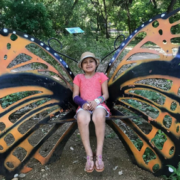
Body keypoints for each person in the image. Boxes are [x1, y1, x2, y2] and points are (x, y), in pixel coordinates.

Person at [73, 52, 111, 173]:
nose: (88, 64)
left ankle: (99, 154)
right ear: (81, 65)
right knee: (81, 119)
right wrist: (83, 103)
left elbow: (106, 94)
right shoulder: (78, 77)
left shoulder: (101, 76)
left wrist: (96, 101)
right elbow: (75, 96)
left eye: (91, 61)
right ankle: (89, 155)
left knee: (99, 116)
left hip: (98, 104)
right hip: (84, 105)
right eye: (85, 62)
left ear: (96, 63)